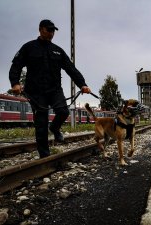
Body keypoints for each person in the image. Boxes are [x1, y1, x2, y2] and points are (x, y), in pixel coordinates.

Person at [9, 19, 91, 158]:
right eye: (49, 30)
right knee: (41, 124)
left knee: (63, 112)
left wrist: (82, 84)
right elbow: (16, 65)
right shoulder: (28, 47)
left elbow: (71, 69)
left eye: (53, 30)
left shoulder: (58, 51)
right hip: (36, 92)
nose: (52, 33)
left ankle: (54, 127)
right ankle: (45, 157)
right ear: (41, 29)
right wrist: (15, 83)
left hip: (54, 90)